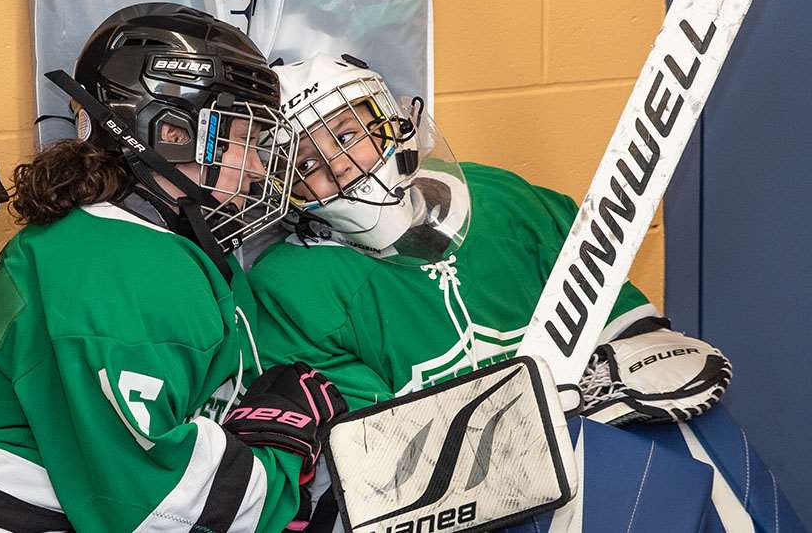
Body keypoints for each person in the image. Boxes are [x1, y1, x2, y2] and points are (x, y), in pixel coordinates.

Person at [247, 53, 800, 531]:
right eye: (307, 162)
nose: (340, 165)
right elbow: (387, 468)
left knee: (694, 438)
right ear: (281, 185)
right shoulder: (289, 287)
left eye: (347, 135)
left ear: (389, 118)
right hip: (468, 505)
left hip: (593, 455)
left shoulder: (502, 198)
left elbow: (624, 327)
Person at [0, 5, 345, 532]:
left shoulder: (108, 241)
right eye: (243, 139)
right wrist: (278, 464)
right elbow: (152, 506)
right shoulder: (122, 268)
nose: (258, 168)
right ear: (171, 131)